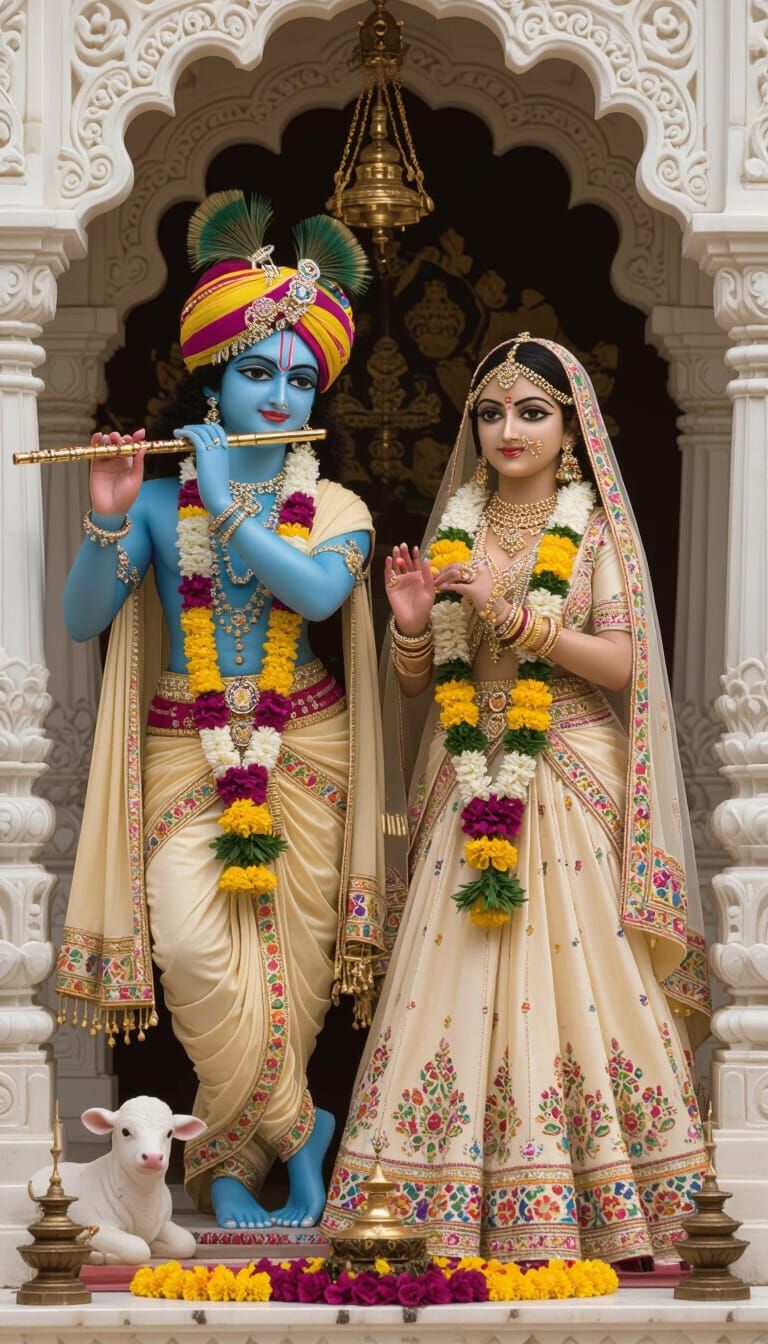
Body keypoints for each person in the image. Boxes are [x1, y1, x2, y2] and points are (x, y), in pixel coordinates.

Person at [324, 334, 710, 1264]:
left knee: (579, 977)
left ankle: (607, 1201)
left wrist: (514, 614)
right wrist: (414, 628)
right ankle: (428, 1199)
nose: (508, 429)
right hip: (466, 775)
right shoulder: (458, 520)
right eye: (491, 412)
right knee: (450, 976)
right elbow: (418, 688)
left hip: (566, 767)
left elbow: (620, 665)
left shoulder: (596, 531)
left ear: (571, 431)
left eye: (531, 412)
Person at [56, 191, 387, 1232]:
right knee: (198, 956)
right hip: (179, 748)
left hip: (307, 745)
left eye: (299, 378)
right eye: (256, 373)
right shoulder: (158, 500)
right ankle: (300, 1131)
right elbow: (82, 621)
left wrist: (231, 497)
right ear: (212, 378)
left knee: (299, 963)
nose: (281, 396)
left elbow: (318, 596)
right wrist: (112, 522)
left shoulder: (336, 507)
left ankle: (236, 1165)